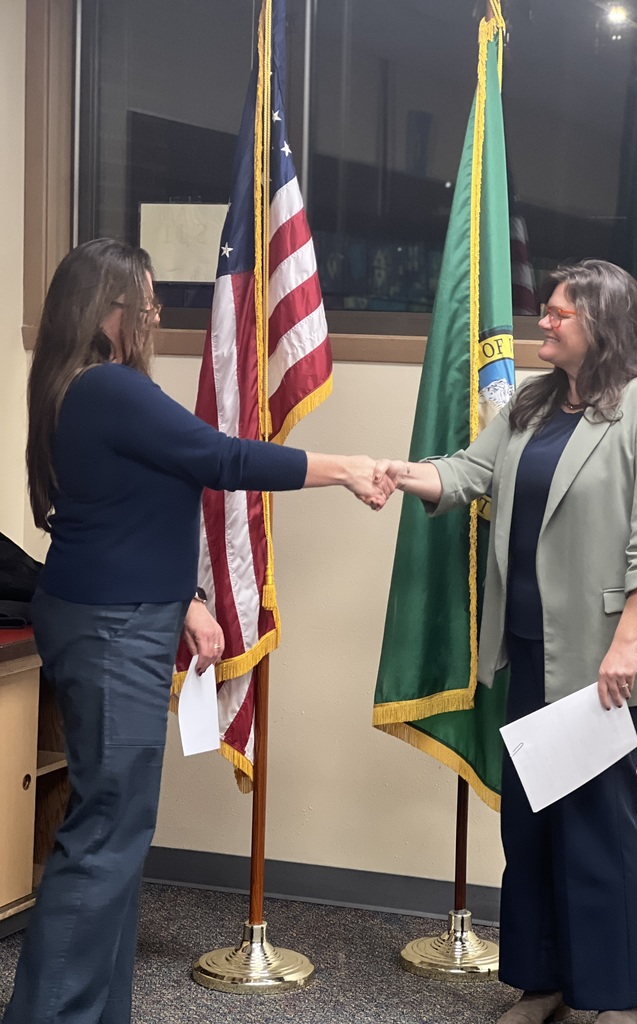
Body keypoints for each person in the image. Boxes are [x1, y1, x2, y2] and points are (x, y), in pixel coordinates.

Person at [4, 237, 392, 1024]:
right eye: (145, 303)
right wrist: (345, 465)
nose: (152, 316)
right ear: (109, 311)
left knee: (114, 832)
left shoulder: (81, 387)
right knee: (107, 835)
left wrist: (186, 600)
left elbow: (125, 511)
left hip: (112, 613)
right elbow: (220, 458)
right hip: (112, 629)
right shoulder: (108, 387)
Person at [374, 259, 637, 1024]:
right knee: (531, 826)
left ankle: (610, 1000)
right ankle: (542, 984)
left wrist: (626, 645)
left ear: (602, 322)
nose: (541, 322)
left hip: (600, 662)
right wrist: (398, 472)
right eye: (543, 311)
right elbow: (466, 475)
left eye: (557, 313)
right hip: (528, 653)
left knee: (597, 830)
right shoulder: (530, 401)